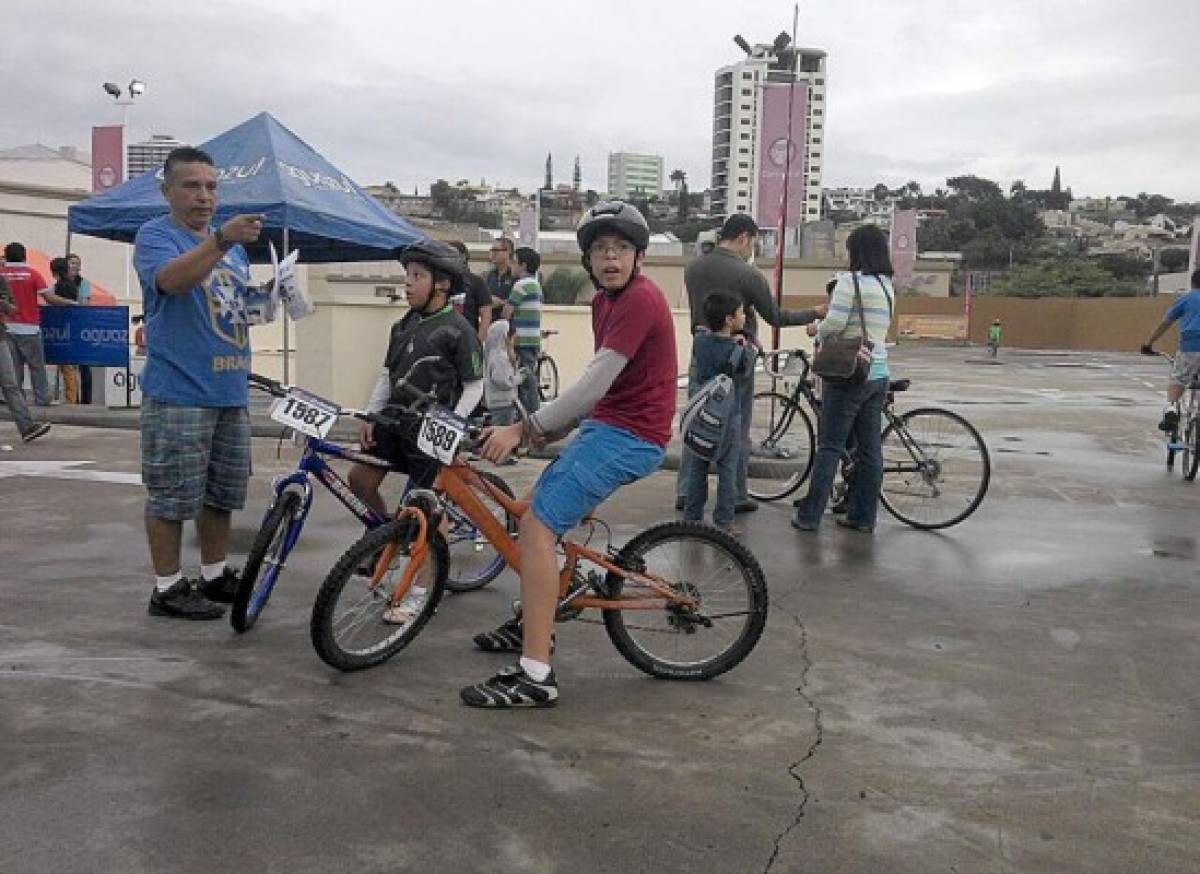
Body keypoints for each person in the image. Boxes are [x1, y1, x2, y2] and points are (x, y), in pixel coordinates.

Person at [464, 201, 676, 709]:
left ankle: (536, 674)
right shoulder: (603, 302)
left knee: (536, 529)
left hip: (632, 435)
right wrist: (544, 428)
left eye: (621, 249)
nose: (610, 258)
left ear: (639, 257)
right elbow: (602, 388)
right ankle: (543, 607)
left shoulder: (641, 300)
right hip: (608, 424)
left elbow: (592, 384)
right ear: (588, 260)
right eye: (601, 249)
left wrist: (526, 428)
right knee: (530, 513)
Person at [133, 146, 266, 620]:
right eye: (191, 186)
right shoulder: (156, 236)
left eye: (211, 186)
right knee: (171, 496)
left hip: (229, 390)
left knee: (222, 494)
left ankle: (213, 574)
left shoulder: (231, 251)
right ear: (167, 190)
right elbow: (171, 281)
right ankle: (167, 587)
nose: (204, 196)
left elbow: (235, 312)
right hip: (178, 392)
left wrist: (268, 300)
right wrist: (221, 243)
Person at [348, 240, 484, 621]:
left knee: (426, 508)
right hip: (396, 421)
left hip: (433, 430)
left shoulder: (458, 330)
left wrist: (452, 423)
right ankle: (385, 538)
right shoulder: (402, 325)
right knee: (359, 479)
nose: (408, 283)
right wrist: (370, 416)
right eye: (407, 275)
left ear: (441, 284)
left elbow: (475, 385)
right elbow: (386, 376)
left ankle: (421, 591)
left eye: (417, 276)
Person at [677, 214, 825, 514]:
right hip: (736, 357)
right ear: (744, 237)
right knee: (735, 429)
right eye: (752, 243)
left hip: (702, 351)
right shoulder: (748, 275)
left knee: (698, 424)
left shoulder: (694, 268)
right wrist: (814, 312)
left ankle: (687, 495)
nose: (751, 250)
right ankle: (734, 496)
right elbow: (776, 317)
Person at [792, 225, 896, 534]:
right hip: (878, 372)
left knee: (830, 447)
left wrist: (816, 329)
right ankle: (863, 517)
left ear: (857, 252)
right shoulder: (887, 285)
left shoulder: (851, 282)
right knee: (870, 450)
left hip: (849, 374)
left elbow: (835, 322)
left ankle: (809, 516)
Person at [679, 291, 751, 532]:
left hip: (702, 415)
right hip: (729, 416)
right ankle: (724, 520)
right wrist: (745, 348)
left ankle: (692, 516)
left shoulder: (700, 342)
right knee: (727, 469)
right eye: (741, 313)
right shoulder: (738, 349)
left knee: (698, 466)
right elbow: (743, 374)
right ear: (729, 320)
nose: (744, 317)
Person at [1, 242, 73, 406]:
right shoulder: (33, 274)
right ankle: (41, 399)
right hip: (30, 328)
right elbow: (50, 298)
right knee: (37, 367)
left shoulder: (1, 275)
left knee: (14, 368)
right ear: (24, 255)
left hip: (6, 328)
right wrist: (71, 303)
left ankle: (16, 401)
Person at [1142, 268, 1200, 433]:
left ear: (1192, 282)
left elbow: (1165, 324)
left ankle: (1172, 410)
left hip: (1191, 347)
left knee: (1178, 380)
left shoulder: (1186, 299)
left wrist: (1148, 343)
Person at [0, 273, 51, 442]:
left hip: (1, 338)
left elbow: (14, 309)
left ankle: (26, 427)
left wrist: (3, 303)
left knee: (10, 383)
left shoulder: (1, 281)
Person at [503, 246, 543, 415]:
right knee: (528, 375)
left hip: (522, 339)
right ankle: (528, 414)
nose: (511, 265)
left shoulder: (521, 285)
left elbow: (507, 312)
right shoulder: (535, 284)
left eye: (514, 261)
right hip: (533, 339)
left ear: (524, 265)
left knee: (525, 379)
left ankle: (531, 416)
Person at [47, 257, 81, 403]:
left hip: (62, 329)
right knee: (69, 367)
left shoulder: (58, 286)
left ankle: (71, 399)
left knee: (67, 368)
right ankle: (72, 398)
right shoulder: (73, 286)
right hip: (73, 328)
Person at [448, 240, 493, 343]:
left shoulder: (476, 281)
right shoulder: (442, 281)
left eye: (452, 254)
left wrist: (478, 341)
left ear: (463, 256)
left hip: (467, 337)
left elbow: (486, 314)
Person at [67, 253, 94, 403]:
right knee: (68, 367)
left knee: (84, 365)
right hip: (66, 328)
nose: (75, 266)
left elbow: (84, 304)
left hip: (81, 327)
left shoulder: (83, 283)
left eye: (77, 263)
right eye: (72, 263)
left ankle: (86, 400)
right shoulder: (59, 283)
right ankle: (72, 399)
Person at [483, 318, 519, 426]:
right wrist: (519, 378)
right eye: (512, 338)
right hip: (502, 403)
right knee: (502, 430)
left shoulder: (493, 355)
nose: (513, 342)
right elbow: (503, 381)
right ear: (504, 337)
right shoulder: (500, 358)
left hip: (499, 402)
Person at [484, 236, 516, 320]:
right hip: (492, 324)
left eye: (496, 250)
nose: (492, 253)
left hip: (511, 324)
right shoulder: (489, 275)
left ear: (508, 252)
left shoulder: (516, 275)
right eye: (491, 250)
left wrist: (501, 302)